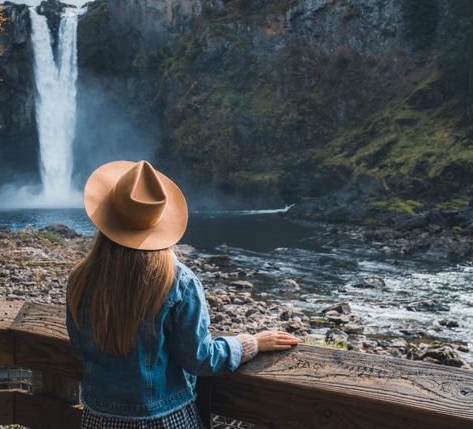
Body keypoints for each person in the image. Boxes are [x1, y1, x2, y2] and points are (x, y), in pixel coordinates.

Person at [66, 160, 300, 428]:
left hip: (99, 418)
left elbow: (79, 346)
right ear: (159, 224)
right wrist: (251, 343)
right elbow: (200, 359)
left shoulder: (81, 279)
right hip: (164, 420)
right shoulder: (179, 282)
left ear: (107, 218)